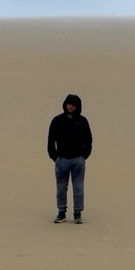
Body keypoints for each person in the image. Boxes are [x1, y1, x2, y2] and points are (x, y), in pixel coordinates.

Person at [47, 93, 92, 224]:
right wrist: (55, 157)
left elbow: (88, 140)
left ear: (77, 106)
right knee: (61, 187)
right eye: (68, 104)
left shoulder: (82, 121)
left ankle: (77, 213)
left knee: (78, 187)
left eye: (73, 105)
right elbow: (51, 141)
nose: (70, 106)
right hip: (62, 160)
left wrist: (84, 156)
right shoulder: (57, 121)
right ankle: (61, 212)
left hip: (78, 160)